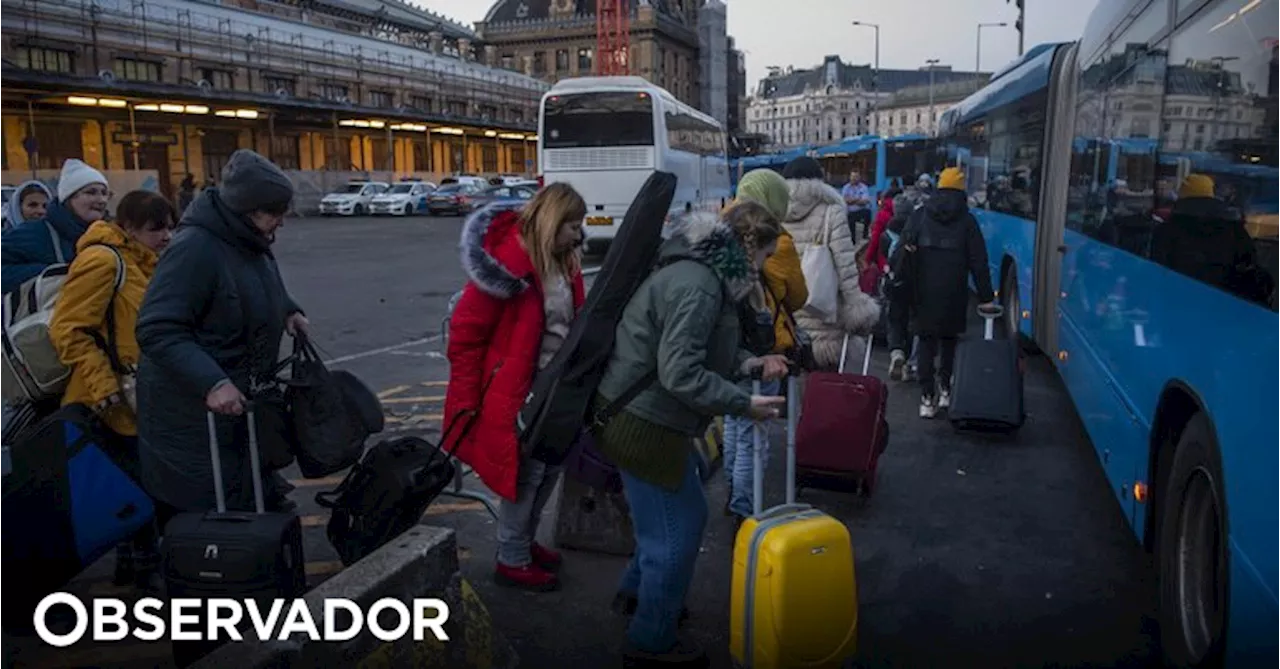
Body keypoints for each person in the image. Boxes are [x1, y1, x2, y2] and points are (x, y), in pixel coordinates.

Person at [593, 201, 789, 666]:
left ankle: (637, 595)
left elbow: (703, 351)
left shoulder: (704, 273)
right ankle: (650, 641)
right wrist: (743, 402)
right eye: (765, 256)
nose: (764, 267)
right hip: (643, 423)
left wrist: (751, 364)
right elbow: (680, 372)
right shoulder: (699, 286)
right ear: (747, 248)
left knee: (671, 515)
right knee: (679, 530)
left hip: (641, 416)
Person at [135, 149, 308, 529]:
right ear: (247, 209)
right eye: (274, 211)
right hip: (192, 419)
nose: (280, 221)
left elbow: (259, 284)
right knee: (209, 517)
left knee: (252, 504)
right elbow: (158, 328)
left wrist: (287, 309)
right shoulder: (195, 248)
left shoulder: (249, 240)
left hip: (238, 410)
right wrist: (211, 381)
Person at [442, 183, 587, 593]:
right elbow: (466, 336)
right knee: (527, 474)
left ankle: (523, 541)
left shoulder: (563, 261)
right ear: (551, 222)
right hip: (517, 390)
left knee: (550, 467)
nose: (579, 234)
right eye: (572, 225)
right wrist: (468, 400)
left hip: (552, 387)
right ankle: (512, 556)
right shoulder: (507, 265)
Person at [50, 190, 176, 589]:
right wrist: (104, 388)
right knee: (140, 484)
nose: (167, 236)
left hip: (137, 396)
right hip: (104, 399)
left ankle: (136, 566)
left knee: (138, 483)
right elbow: (68, 330)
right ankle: (145, 570)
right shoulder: (103, 260)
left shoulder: (144, 263)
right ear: (128, 228)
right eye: (157, 229)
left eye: (171, 227)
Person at [719, 168, 807, 522]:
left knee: (732, 421)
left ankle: (732, 493)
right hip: (763, 346)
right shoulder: (778, 241)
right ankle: (744, 507)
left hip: (729, 347)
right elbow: (798, 296)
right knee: (753, 434)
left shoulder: (722, 230)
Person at [900, 167, 996, 418]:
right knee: (949, 341)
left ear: (938, 187)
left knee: (926, 342)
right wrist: (986, 296)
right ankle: (946, 387)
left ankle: (926, 397)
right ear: (962, 190)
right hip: (954, 291)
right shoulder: (967, 220)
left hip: (922, 290)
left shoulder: (920, 215)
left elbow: (902, 250)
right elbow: (979, 262)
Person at [778, 156, 881, 370]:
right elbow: (845, 266)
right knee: (823, 387)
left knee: (787, 385)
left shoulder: (776, 211)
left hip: (786, 310)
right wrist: (856, 305)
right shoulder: (831, 211)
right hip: (822, 312)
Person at [0, 159, 109, 294]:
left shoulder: (108, 236)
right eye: (91, 192)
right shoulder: (34, 233)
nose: (101, 200)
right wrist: (51, 273)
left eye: (104, 193)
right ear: (69, 198)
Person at [886, 173, 934, 381]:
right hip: (917, 282)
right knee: (916, 322)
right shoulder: (922, 223)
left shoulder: (887, 232)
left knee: (896, 319)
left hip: (895, 280)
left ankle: (897, 352)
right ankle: (913, 363)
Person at [841, 169, 872, 241]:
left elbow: (865, 201)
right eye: (852, 176)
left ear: (859, 177)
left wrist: (852, 200)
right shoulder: (846, 187)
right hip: (850, 212)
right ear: (850, 177)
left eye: (856, 176)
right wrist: (858, 199)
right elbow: (845, 200)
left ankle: (865, 234)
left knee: (868, 213)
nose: (854, 178)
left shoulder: (864, 187)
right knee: (850, 218)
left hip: (861, 210)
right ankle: (853, 239)